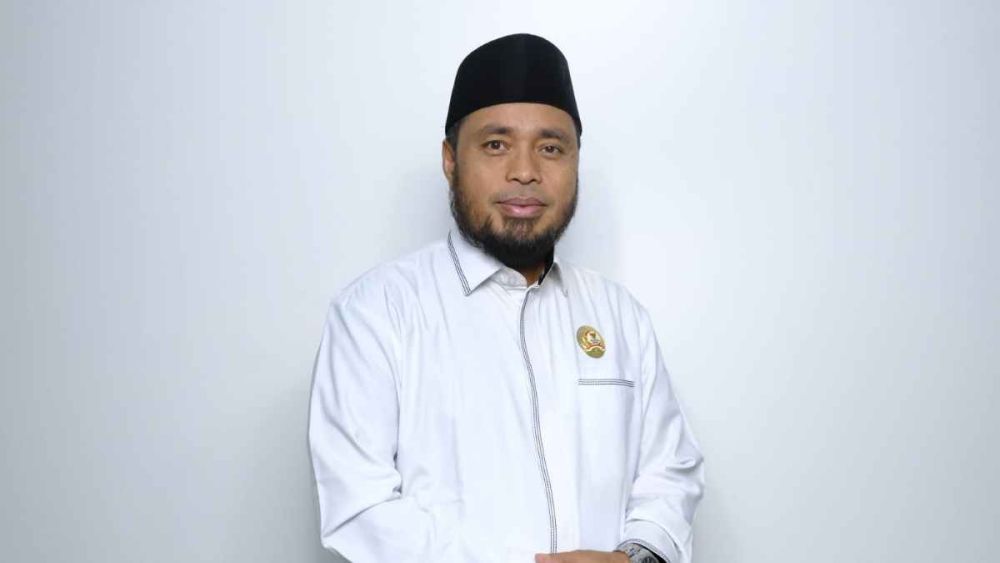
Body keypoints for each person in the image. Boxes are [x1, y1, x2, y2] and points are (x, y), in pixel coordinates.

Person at [308, 33, 704, 563]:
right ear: (450, 159)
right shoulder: (376, 314)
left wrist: (636, 557)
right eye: (496, 144)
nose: (525, 171)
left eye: (551, 147)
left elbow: (669, 473)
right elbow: (361, 508)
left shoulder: (619, 315)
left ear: (576, 161)